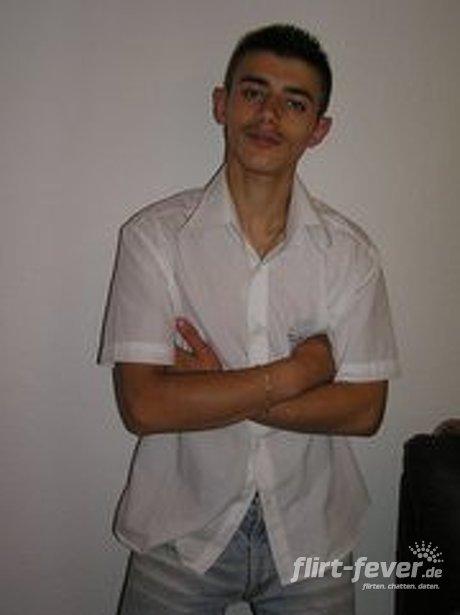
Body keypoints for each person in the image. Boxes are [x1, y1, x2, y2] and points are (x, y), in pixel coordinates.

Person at [99, 23, 399, 614]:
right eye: (253, 92)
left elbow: (365, 411)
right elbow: (144, 407)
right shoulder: (154, 238)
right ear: (222, 104)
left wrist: (213, 387)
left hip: (311, 535)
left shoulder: (350, 254)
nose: (269, 115)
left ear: (319, 130)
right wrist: (297, 373)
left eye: (294, 103)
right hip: (181, 534)